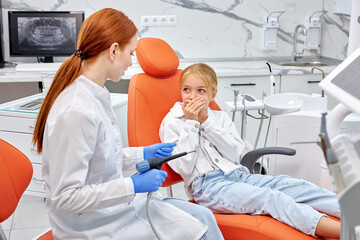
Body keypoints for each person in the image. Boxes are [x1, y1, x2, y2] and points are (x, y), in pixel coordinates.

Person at [32, 9, 223, 240]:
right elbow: (64, 198)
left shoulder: (95, 93)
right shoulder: (76, 110)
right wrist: (132, 185)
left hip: (112, 209)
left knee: (203, 217)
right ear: (113, 50)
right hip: (91, 226)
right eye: (130, 53)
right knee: (199, 231)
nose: (131, 62)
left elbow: (98, 158)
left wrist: (142, 153)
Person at [159, 63, 341, 239]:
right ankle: (344, 231)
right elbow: (184, 166)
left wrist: (206, 123)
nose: (192, 96)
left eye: (201, 90)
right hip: (208, 188)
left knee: (294, 185)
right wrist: (192, 123)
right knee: (272, 198)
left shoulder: (219, 118)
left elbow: (234, 153)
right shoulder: (173, 122)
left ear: (212, 94)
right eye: (186, 90)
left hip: (238, 176)